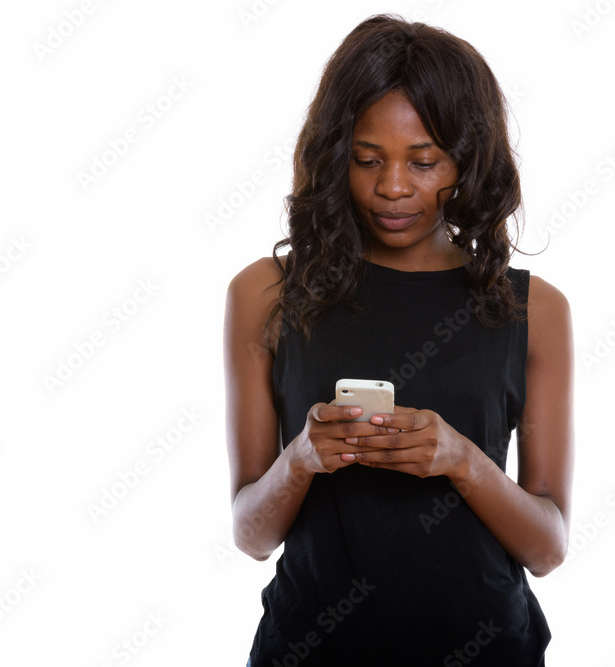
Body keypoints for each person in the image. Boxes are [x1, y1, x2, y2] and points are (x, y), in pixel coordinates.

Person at [223, 14, 574, 666]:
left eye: (423, 161)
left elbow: (548, 547)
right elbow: (251, 535)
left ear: (467, 159)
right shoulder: (264, 293)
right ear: (336, 156)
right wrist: (301, 458)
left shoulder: (535, 309)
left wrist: (463, 460)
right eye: (367, 159)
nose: (392, 186)